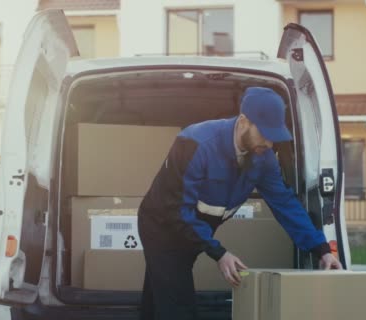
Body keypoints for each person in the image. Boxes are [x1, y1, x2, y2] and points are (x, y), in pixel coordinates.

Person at [137, 87, 343, 320]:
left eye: (274, 136)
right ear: (244, 122)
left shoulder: (264, 159)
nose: (269, 143)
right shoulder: (196, 143)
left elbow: (286, 204)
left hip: (195, 231)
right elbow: (177, 210)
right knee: (178, 305)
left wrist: (321, 250)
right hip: (162, 225)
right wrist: (220, 253)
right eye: (264, 134)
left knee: (161, 295)